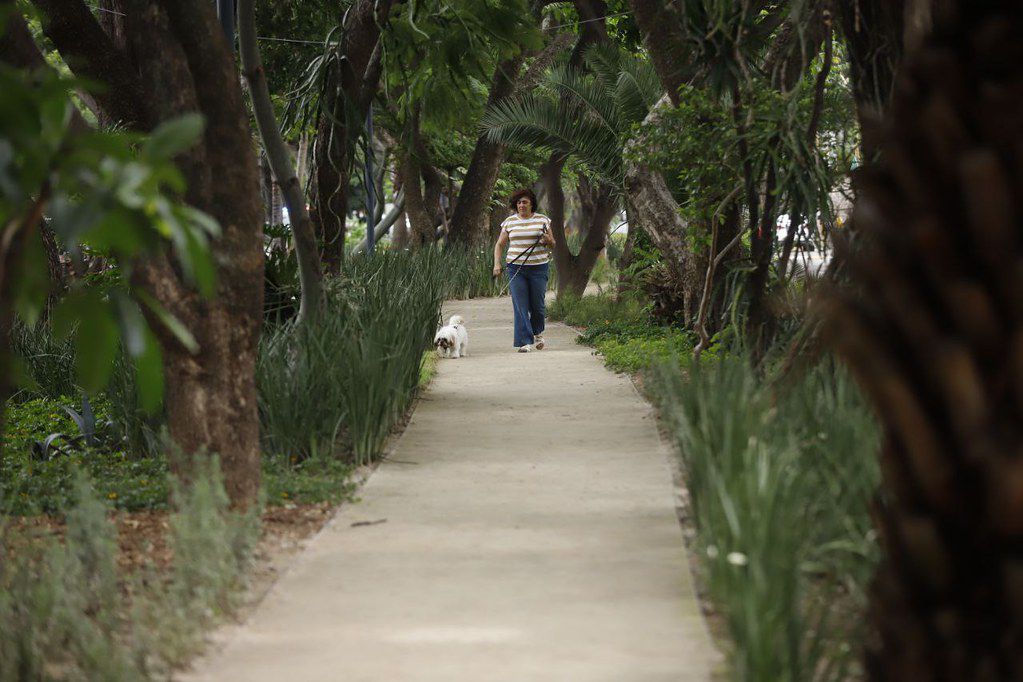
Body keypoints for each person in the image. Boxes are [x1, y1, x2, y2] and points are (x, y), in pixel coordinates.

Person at [492, 188, 556, 352]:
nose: (521, 205)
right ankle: (524, 342)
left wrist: (547, 240)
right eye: (519, 202)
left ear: (531, 204)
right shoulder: (509, 222)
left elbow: (552, 243)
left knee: (537, 306)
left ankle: (538, 332)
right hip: (515, 268)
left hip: (538, 267)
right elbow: (500, 244)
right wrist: (497, 264)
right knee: (520, 305)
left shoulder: (542, 220)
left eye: (525, 202)